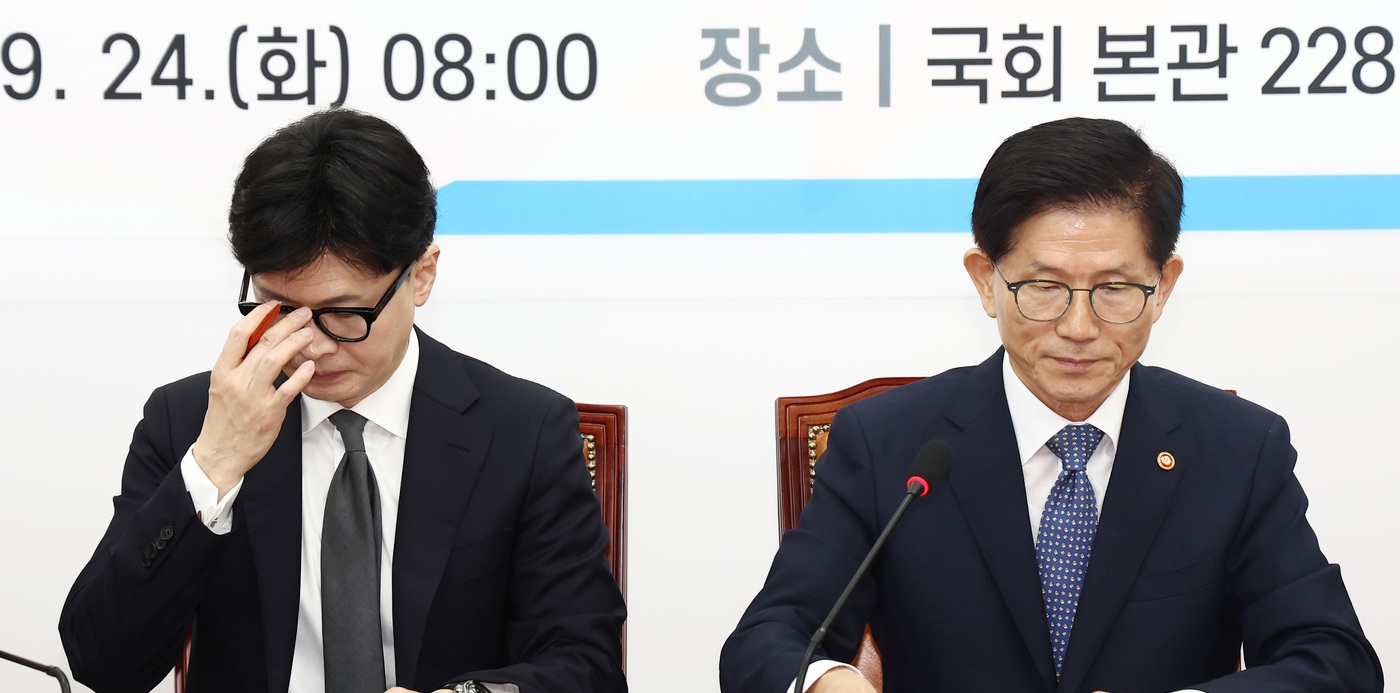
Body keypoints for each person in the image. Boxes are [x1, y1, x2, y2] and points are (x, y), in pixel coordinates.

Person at [719, 117, 1383, 693]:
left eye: (1116, 287)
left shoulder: (1237, 448)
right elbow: (768, 640)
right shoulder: (889, 442)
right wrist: (826, 680)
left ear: (1164, 284)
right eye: (1043, 286)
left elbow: (1334, 660)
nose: (1078, 327)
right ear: (986, 280)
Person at [60, 109, 627, 693]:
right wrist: (215, 465)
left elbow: (586, 663)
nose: (312, 345)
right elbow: (104, 664)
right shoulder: (190, 421)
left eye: (345, 313)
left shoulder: (523, 432)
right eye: (281, 310)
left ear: (422, 276)